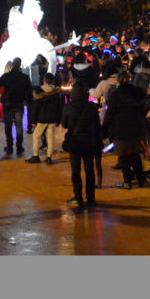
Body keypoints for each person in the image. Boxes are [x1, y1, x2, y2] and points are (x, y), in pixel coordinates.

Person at [104, 70, 148, 189]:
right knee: (135, 154)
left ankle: (127, 181)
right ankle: (140, 179)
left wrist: (105, 126)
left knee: (124, 156)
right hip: (136, 127)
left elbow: (111, 112)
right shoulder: (137, 92)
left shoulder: (116, 94)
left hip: (121, 128)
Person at [62, 81, 101, 210]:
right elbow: (97, 126)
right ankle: (91, 198)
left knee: (76, 171)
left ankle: (78, 198)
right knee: (89, 171)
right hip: (89, 141)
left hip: (75, 141)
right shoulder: (91, 107)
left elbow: (64, 124)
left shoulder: (69, 106)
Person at [0, 57, 33, 155]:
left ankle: (9, 147)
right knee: (19, 127)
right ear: (20, 65)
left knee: (8, 127)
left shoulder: (6, 76)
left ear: (12, 64)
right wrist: (28, 102)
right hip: (19, 104)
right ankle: (19, 148)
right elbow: (30, 91)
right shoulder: (25, 77)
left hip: (8, 104)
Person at [27, 73, 62, 164]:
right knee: (50, 136)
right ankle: (49, 157)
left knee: (36, 135)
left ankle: (36, 156)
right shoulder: (56, 91)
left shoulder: (39, 91)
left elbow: (35, 107)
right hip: (53, 118)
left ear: (44, 81)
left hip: (42, 118)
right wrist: (59, 119)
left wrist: (33, 120)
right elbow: (59, 107)